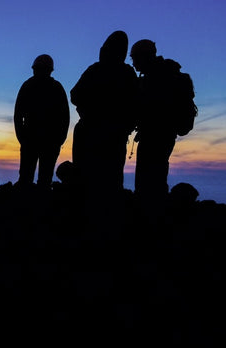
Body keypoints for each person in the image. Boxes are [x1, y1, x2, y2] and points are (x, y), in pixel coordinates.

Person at [70, 30, 138, 235]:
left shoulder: (96, 70)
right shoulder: (126, 73)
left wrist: (91, 110)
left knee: (90, 179)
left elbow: (75, 95)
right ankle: (106, 226)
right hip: (111, 137)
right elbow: (136, 105)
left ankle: (88, 223)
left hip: (93, 134)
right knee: (110, 180)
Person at [130, 39, 191, 221]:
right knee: (156, 175)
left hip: (156, 135)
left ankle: (150, 220)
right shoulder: (160, 74)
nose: (133, 63)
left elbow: (153, 108)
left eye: (135, 58)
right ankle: (154, 217)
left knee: (149, 179)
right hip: (161, 134)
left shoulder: (157, 77)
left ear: (144, 56)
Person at [13, 54, 70, 189]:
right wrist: (59, 139)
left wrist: (22, 138)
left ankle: (28, 206)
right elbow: (65, 117)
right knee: (41, 180)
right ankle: (38, 206)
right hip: (42, 141)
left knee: (29, 179)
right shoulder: (56, 88)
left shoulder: (29, 86)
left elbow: (17, 115)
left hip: (37, 141)